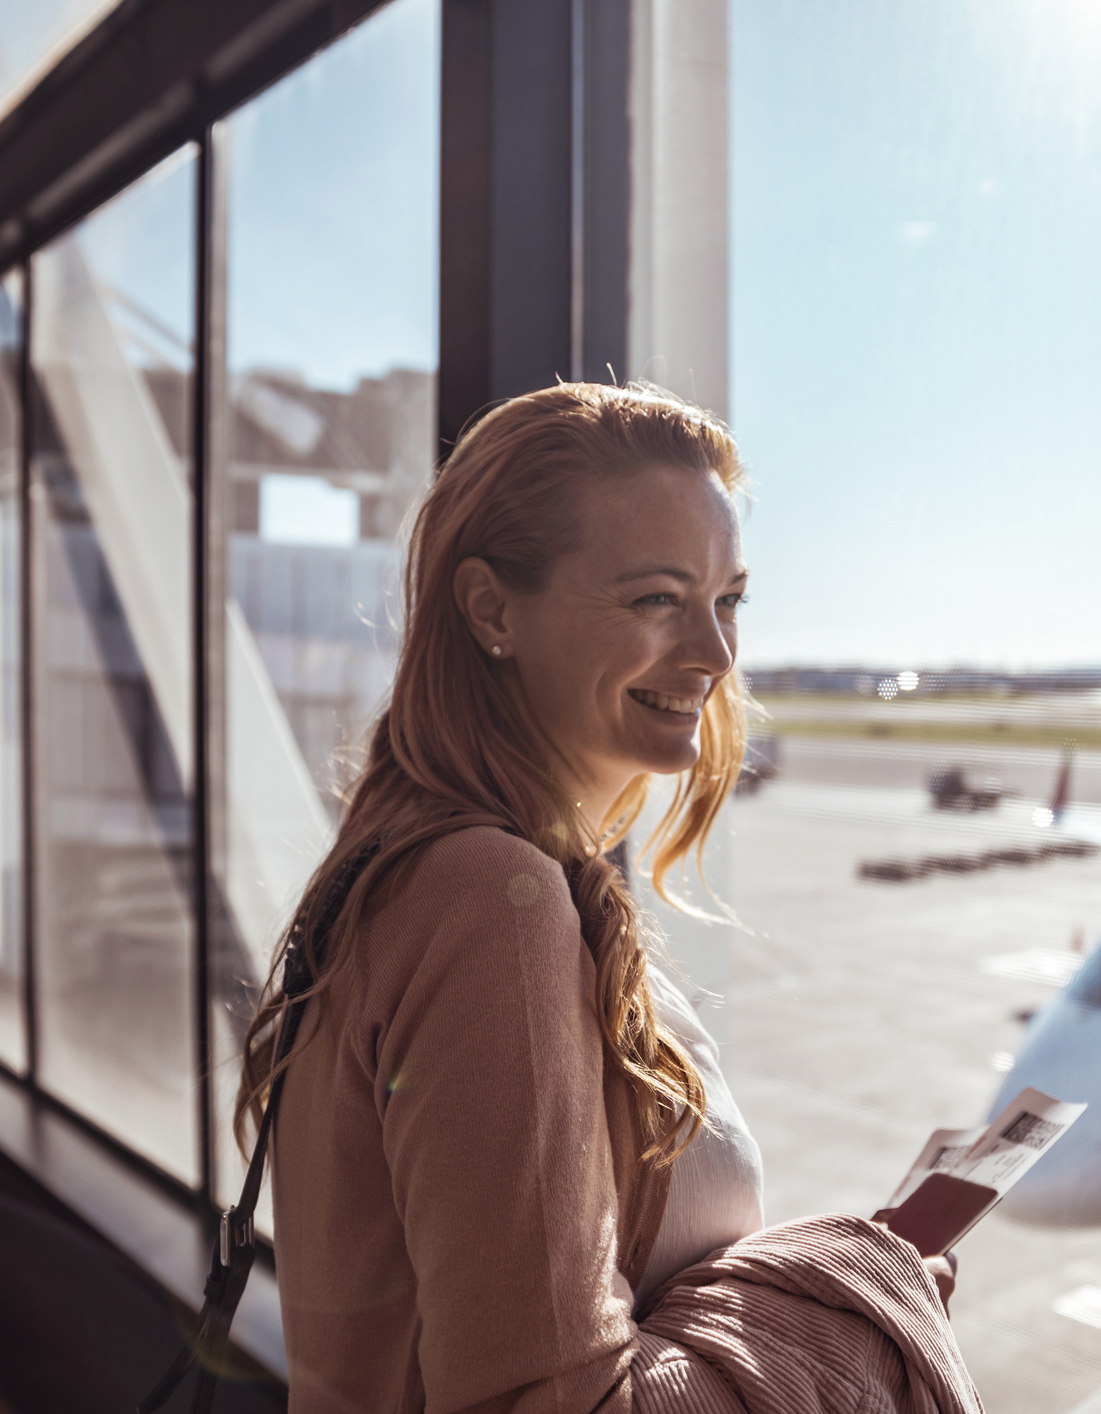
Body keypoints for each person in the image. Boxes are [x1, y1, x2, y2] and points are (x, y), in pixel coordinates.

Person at [235, 383, 967, 1412]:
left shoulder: (428, 861)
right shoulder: (495, 899)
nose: (716, 657)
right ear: (493, 609)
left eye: (728, 600)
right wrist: (856, 1304)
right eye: (657, 598)